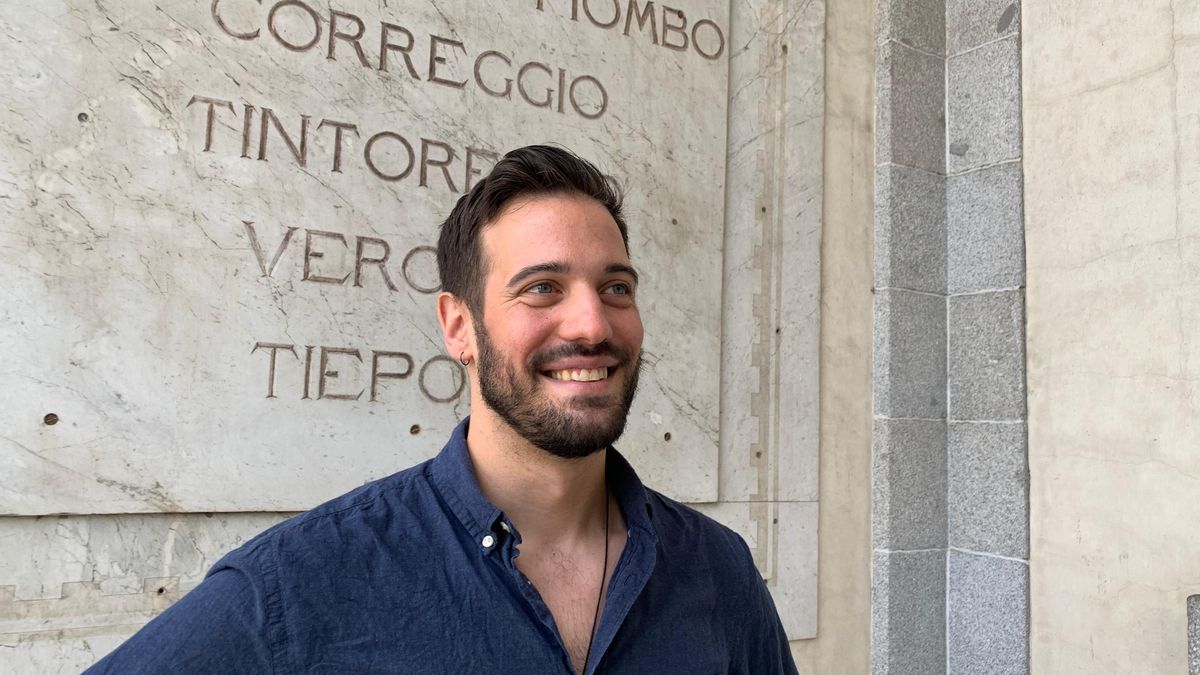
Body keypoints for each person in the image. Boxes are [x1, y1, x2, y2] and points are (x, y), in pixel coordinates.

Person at [86, 145, 798, 674]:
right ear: (459, 327)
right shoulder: (300, 585)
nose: (592, 324)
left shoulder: (717, 568)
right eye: (542, 288)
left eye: (616, 287)